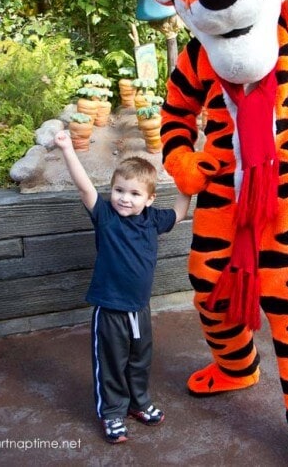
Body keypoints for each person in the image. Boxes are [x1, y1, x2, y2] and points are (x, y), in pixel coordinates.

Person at [54, 130, 190, 444]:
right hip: (111, 308)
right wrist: (66, 149)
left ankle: (137, 403)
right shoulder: (105, 216)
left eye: (134, 193)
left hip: (139, 308)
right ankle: (113, 412)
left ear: (150, 199)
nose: (124, 198)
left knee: (140, 359)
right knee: (111, 362)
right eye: (119, 190)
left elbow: (181, 212)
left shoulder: (154, 219)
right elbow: (84, 186)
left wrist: (188, 181)